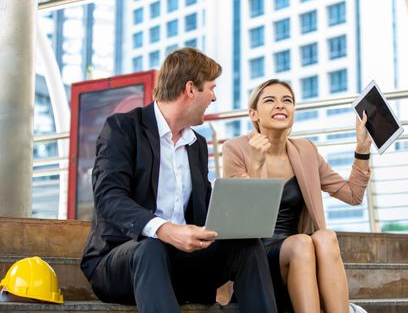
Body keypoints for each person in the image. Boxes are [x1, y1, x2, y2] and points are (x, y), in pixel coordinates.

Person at [80, 48, 277, 313]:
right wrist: (165, 230)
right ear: (190, 89)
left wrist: (236, 210)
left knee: (247, 248)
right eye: (211, 88)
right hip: (122, 261)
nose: (214, 97)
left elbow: (205, 208)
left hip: (182, 264)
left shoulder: (196, 144)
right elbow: (108, 199)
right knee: (151, 248)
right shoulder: (123, 128)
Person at [221, 79, 372, 312]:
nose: (280, 105)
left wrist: (362, 150)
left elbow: (353, 195)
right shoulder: (235, 148)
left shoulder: (306, 150)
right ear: (254, 114)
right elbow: (245, 218)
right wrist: (257, 162)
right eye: (270, 100)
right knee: (302, 243)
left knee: (325, 237)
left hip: (301, 256)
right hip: (255, 255)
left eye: (287, 101)